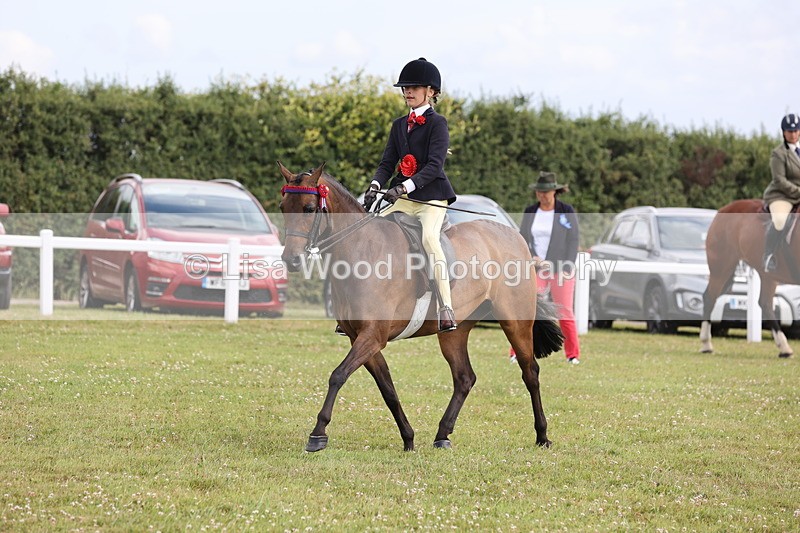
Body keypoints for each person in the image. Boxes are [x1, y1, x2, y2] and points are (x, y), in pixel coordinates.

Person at [362, 57, 457, 332]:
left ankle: (446, 307)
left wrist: (403, 187)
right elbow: (386, 163)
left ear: (431, 92)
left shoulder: (438, 124)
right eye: (405, 88)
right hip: (401, 198)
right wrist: (375, 186)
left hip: (431, 199)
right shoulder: (398, 125)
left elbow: (433, 166)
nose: (407, 92)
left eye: (413, 87)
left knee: (430, 239)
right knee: (369, 229)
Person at [509, 171, 581, 364]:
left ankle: (572, 355)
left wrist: (565, 265)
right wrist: (530, 257)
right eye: (539, 192)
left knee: (564, 311)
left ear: (554, 192)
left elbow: (573, 241)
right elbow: (522, 237)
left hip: (559, 268)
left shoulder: (566, 211)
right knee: (528, 309)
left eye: (546, 192)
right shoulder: (531, 211)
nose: (542, 195)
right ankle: (517, 351)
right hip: (536, 268)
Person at [763, 113, 800, 272]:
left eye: (796, 130)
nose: (793, 134)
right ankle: (768, 255)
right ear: (784, 132)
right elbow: (779, 180)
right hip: (782, 195)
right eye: (790, 131)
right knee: (779, 220)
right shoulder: (778, 153)